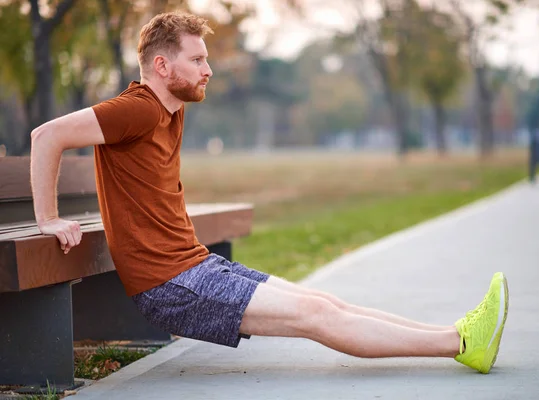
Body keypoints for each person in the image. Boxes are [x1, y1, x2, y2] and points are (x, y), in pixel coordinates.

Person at [29, 11, 508, 374]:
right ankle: (462, 344)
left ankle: (458, 333)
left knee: (326, 303)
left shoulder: (170, 109)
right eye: (196, 60)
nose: (208, 70)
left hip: (194, 266)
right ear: (161, 64)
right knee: (316, 315)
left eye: (206, 59)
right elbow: (45, 136)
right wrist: (48, 218)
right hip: (169, 285)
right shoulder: (134, 108)